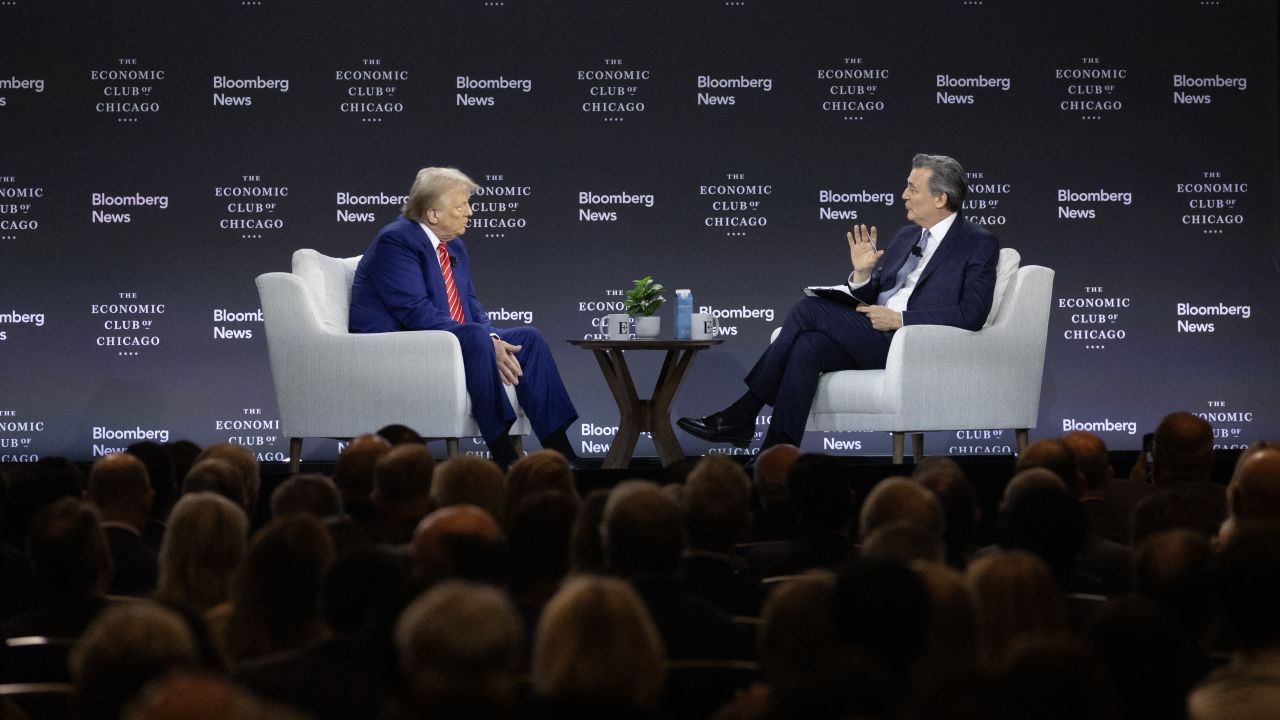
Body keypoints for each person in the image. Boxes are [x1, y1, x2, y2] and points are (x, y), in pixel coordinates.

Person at [678, 154, 999, 452]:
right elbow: (872, 297)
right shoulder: (906, 236)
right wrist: (861, 276)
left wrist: (901, 320)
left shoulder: (977, 243)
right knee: (807, 345)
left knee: (807, 310)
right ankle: (775, 455)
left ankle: (741, 415)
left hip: (911, 343)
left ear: (940, 198)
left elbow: (971, 315)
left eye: (912, 189)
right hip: (873, 333)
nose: (903, 195)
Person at [349, 167, 578, 468]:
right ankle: (504, 455)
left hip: (444, 337)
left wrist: (492, 337)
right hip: (394, 346)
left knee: (528, 339)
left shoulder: (453, 245)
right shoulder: (396, 241)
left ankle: (561, 455)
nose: (470, 212)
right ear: (433, 214)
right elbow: (413, 311)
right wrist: (482, 338)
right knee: (473, 336)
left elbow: (469, 302)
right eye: (461, 205)